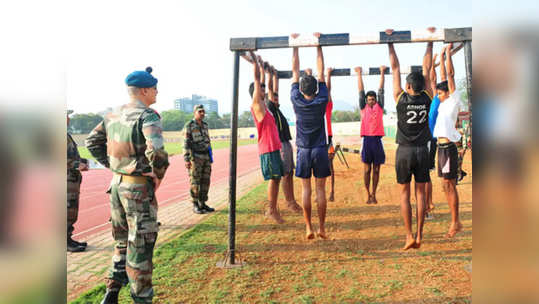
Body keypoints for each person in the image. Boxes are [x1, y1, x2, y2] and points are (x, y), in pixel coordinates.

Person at [86, 67, 169, 304]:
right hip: (137, 190)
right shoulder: (148, 116)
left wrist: (115, 166)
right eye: (154, 88)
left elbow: (92, 141)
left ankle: (111, 293)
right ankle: (141, 299)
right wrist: (157, 175)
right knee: (140, 246)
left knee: (122, 243)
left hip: (116, 187)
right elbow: (157, 151)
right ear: (143, 90)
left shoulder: (112, 115)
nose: (156, 92)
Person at [387, 27, 435, 250]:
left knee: (405, 194)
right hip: (422, 150)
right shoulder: (428, 97)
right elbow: (427, 67)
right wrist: (430, 42)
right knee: (420, 194)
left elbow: (395, 68)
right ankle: (419, 234)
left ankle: (408, 236)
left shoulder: (400, 98)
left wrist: (390, 43)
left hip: (404, 151)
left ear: (407, 87)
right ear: (423, 86)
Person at [290, 33, 330, 239]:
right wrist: (318, 45)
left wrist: (295, 46)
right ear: (315, 88)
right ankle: (321, 228)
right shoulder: (322, 98)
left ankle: (308, 227)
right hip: (320, 149)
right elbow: (321, 72)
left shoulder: (296, 99)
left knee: (305, 190)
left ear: (301, 89)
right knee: (320, 190)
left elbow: (295, 73)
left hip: (304, 150)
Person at [248, 52, 285, 224]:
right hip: (267, 149)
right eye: (260, 89)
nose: (263, 90)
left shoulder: (266, 106)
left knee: (277, 178)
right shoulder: (257, 105)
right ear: (255, 93)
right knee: (274, 178)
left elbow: (261, 81)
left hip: (274, 148)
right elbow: (257, 80)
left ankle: (273, 208)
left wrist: (263, 68)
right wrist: (255, 62)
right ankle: (271, 210)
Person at [433, 43, 463, 238]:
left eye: (440, 92)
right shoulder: (443, 104)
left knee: (449, 185)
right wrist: (442, 57)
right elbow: (443, 78)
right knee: (445, 185)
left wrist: (447, 55)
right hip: (440, 147)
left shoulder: (453, 100)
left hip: (448, 148)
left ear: (448, 93)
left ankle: (455, 222)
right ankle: (455, 221)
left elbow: (449, 76)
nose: (438, 95)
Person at [265, 65, 302, 213]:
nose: (276, 98)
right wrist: (270, 76)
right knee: (284, 174)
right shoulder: (270, 107)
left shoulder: (277, 109)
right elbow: (270, 90)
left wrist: (275, 75)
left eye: (277, 97)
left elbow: (274, 90)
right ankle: (288, 203)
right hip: (280, 144)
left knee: (289, 173)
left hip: (285, 143)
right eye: (274, 97)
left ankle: (291, 201)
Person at [354, 65, 387, 205]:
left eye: (373, 99)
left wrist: (382, 73)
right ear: (366, 100)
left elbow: (381, 91)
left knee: (377, 170)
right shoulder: (363, 107)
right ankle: (368, 194)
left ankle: (374, 194)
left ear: (376, 100)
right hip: (367, 141)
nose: (371, 101)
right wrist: (359, 74)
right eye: (369, 99)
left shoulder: (380, 107)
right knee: (367, 170)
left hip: (377, 141)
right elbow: (361, 91)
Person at [184, 104, 215, 214]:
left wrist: (211, 157)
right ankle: (195, 204)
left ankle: (203, 203)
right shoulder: (189, 125)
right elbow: (186, 143)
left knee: (205, 181)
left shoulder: (205, 125)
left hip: (206, 156)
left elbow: (208, 142)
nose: (202, 113)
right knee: (195, 181)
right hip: (196, 157)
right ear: (195, 112)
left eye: (203, 111)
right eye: (200, 111)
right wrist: (186, 159)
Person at [67, 110, 89, 252]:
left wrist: (83, 162)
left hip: (71, 180)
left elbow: (71, 155)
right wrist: (76, 165)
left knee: (71, 210)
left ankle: (68, 238)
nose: (68, 119)